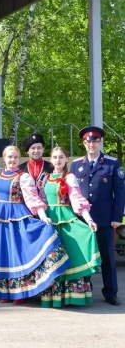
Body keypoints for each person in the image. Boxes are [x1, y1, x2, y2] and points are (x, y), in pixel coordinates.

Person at [0, 146, 70, 305]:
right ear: (4, 158)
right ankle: (5, 291)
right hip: (0, 218)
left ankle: (19, 292)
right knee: (3, 253)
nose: (12, 160)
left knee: (17, 254)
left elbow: (32, 198)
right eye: (10, 157)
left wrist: (43, 216)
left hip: (17, 217)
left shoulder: (23, 177)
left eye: (15, 157)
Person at [39, 146, 101, 308]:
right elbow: (41, 201)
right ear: (51, 160)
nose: (58, 160)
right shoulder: (46, 178)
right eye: (55, 157)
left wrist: (88, 220)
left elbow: (77, 199)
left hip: (66, 221)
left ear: (67, 159)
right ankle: (54, 296)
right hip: (50, 222)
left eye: (61, 157)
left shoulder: (70, 177)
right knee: (52, 259)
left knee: (70, 257)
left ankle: (72, 297)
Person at [70, 126, 124, 306]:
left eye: (95, 141)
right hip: (82, 220)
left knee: (107, 257)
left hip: (104, 219)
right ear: (83, 143)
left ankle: (110, 293)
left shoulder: (112, 163)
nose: (91, 144)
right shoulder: (76, 164)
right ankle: (85, 291)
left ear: (100, 142)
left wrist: (117, 217)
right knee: (84, 256)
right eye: (88, 141)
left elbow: (120, 192)